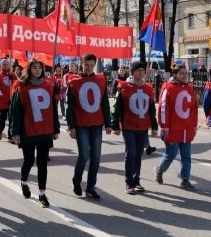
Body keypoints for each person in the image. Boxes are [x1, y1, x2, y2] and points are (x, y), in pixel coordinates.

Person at [9, 58, 60, 208]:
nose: (37, 70)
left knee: (42, 163)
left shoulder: (49, 86)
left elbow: (53, 110)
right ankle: (24, 182)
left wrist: (55, 128)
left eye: (39, 68)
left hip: (44, 130)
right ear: (29, 69)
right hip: (28, 130)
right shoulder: (22, 87)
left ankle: (42, 193)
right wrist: (15, 132)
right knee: (29, 160)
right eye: (34, 67)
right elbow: (16, 112)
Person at [66, 53, 112, 200]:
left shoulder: (100, 80)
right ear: (82, 63)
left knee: (96, 157)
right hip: (81, 125)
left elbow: (105, 103)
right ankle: (77, 180)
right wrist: (71, 126)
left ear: (95, 65)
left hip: (97, 124)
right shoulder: (74, 82)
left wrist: (108, 123)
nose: (89, 67)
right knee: (84, 154)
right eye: (87, 64)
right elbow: (70, 106)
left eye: (92, 65)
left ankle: (91, 186)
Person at [110, 61, 158, 194]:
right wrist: (115, 125)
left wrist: (154, 126)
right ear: (132, 72)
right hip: (128, 126)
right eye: (138, 70)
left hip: (142, 127)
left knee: (138, 154)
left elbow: (151, 109)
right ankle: (128, 182)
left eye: (143, 70)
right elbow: (117, 107)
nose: (141, 72)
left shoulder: (148, 88)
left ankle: (136, 181)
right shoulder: (124, 87)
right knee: (130, 153)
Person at [154, 64, 198, 190]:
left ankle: (185, 180)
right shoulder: (168, 87)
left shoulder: (190, 88)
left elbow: (194, 109)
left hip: (186, 128)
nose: (184, 75)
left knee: (186, 156)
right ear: (175, 74)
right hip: (172, 129)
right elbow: (163, 109)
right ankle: (160, 169)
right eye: (181, 73)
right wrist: (165, 127)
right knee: (171, 154)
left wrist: (194, 125)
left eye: (185, 73)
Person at [0, 58, 14, 142]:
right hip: (3, 102)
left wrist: (12, 97)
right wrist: (6, 98)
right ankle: (0, 130)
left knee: (11, 119)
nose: (5, 65)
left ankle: (10, 136)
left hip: (12, 100)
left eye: (7, 64)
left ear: (10, 65)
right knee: (3, 118)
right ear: (1, 65)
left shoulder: (13, 74)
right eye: (4, 64)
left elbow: (17, 85)